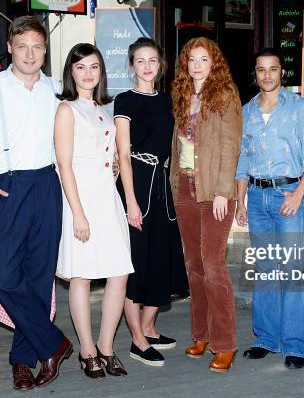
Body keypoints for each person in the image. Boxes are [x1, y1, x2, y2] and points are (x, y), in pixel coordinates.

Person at [0, 16, 71, 390]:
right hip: (5, 187)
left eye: (37, 47)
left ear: (44, 51)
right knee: (3, 274)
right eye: (22, 46)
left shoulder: (56, 89)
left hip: (46, 186)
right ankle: (54, 342)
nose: (29, 54)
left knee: (39, 278)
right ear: (9, 48)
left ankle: (23, 359)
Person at [235, 48, 304, 369]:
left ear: (281, 72)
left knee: (290, 271)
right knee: (266, 271)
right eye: (261, 70)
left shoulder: (299, 109)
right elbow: (242, 160)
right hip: (256, 199)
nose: (267, 75)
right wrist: (240, 200)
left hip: (288, 196)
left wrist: (298, 194)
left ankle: (295, 345)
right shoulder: (246, 113)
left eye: (272, 69)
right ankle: (266, 338)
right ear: (255, 74)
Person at [54, 43, 133, 378]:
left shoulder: (103, 109)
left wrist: (113, 167)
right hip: (80, 199)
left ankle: (106, 346)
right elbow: (64, 164)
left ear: (101, 72)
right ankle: (86, 350)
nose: (88, 73)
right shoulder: (66, 110)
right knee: (82, 275)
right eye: (81, 66)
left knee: (119, 272)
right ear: (71, 72)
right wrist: (78, 213)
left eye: (94, 67)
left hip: (107, 195)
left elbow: (107, 151)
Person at [114, 37, 188, 367]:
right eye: (140, 60)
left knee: (162, 257)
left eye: (152, 60)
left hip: (163, 186)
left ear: (160, 65)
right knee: (136, 263)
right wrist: (130, 201)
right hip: (136, 184)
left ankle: (149, 326)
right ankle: (137, 339)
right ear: (132, 65)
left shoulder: (171, 101)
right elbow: (123, 155)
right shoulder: (124, 100)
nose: (147, 66)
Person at [169, 37, 242, 373]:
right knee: (193, 266)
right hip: (184, 187)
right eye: (192, 60)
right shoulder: (183, 96)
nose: (197, 65)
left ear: (214, 63)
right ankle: (201, 334)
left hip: (214, 190)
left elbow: (231, 147)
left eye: (203, 59)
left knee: (213, 266)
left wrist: (225, 192)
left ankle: (225, 343)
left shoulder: (225, 95)